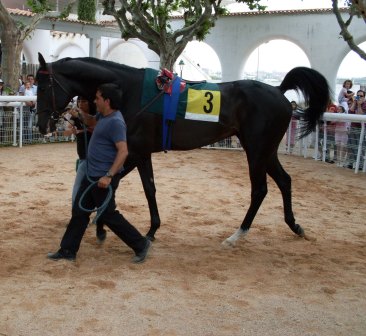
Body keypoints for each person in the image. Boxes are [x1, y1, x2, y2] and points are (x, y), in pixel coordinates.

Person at [47, 83, 151, 263]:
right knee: (79, 212)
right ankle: (67, 250)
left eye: (97, 98)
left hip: (102, 177)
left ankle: (140, 244)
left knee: (107, 215)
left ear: (107, 101)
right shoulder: (103, 116)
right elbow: (91, 121)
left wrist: (109, 176)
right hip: (92, 175)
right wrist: (79, 113)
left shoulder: (116, 122)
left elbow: (123, 151)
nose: (95, 101)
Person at [346, 89, 366, 169]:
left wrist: (359, 105)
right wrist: (354, 102)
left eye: (361, 96)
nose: (359, 97)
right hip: (353, 127)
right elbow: (350, 112)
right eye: (358, 95)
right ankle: (351, 163)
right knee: (351, 146)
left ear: (364, 97)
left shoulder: (365, 105)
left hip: (361, 129)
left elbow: (361, 116)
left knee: (360, 146)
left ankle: (360, 165)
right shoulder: (355, 102)